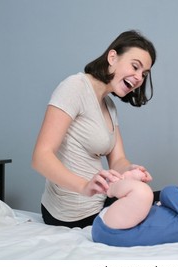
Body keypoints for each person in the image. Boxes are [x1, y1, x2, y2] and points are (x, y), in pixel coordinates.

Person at [32, 30, 156, 228]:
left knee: (164, 201)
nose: (139, 77)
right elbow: (41, 157)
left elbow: (118, 160)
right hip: (69, 212)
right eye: (135, 66)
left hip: (98, 203)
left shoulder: (109, 106)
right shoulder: (74, 87)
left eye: (144, 74)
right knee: (158, 207)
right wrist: (84, 186)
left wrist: (131, 169)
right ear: (112, 57)